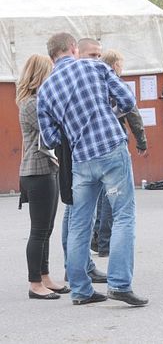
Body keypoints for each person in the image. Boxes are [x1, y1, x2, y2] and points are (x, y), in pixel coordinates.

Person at [37, 32, 147, 306]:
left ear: (52, 55)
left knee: (79, 223)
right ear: (73, 48)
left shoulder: (45, 89)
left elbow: (49, 138)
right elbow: (128, 100)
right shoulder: (95, 67)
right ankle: (120, 284)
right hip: (110, 147)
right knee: (123, 216)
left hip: (81, 160)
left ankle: (80, 290)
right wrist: (107, 110)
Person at [55, 37, 108, 286]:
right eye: (92, 56)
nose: (97, 61)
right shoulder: (68, 78)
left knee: (77, 211)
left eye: (99, 56)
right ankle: (75, 266)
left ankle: (79, 265)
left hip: (82, 150)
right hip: (72, 150)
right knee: (74, 210)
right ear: (76, 54)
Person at [17, 54, 67, 300]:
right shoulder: (31, 104)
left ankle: (45, 276)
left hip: (47, 169)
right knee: (38, 230)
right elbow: (54, 129)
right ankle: (34, 283)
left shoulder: (38, 101)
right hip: (36, 171)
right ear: (40, 75)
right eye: (50, 73)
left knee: (46, 229)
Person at [95, 50, 148, 257]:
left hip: (94, 146)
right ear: (115, 64)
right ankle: (105, 242)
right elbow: (133, 114)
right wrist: (142, 141)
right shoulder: (116, 84)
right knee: (114, 194)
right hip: (114, 141)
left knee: (100, 194)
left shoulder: (95, 85)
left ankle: (97, 236)